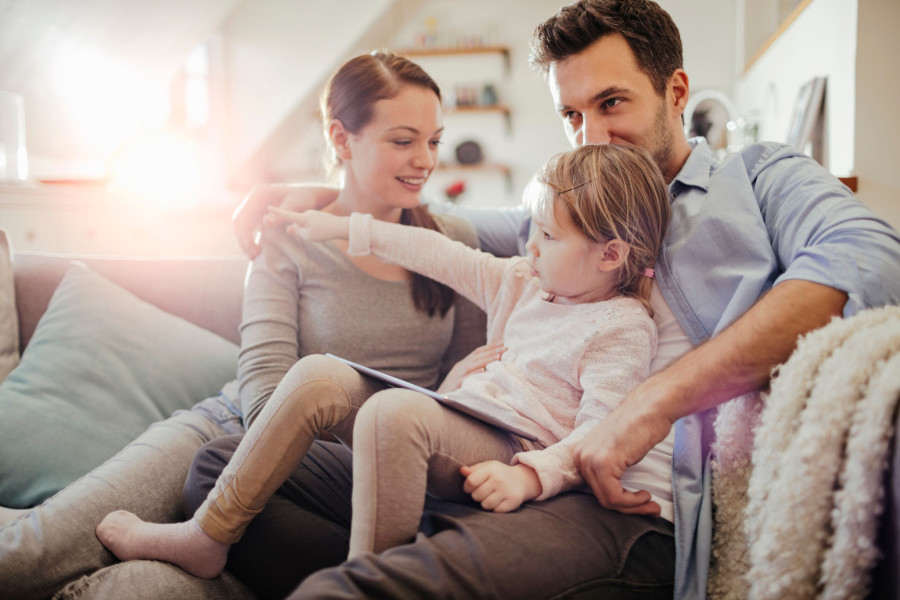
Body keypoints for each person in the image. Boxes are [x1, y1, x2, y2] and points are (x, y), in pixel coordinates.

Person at [226, 1, 900, 598]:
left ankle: (407, 563)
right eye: (572, 115)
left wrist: (650, 406)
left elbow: (871, 257)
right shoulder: (566, 213)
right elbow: (437, 231)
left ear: (676, 92)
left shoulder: (757, 177)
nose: (591, 136)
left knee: (352, 584)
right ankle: (417, 551)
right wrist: (315, 195)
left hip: (629, 502)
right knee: (222, 468)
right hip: (523, 455)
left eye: (612, 104)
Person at [92, 50, 493, 583]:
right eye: (403, 141)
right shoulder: (289, 238)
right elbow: (265, 402)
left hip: (411, 455)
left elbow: (472, 385)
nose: (425, 160)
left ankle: (387, 570)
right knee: (218, 466)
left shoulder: (451, 241)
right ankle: (398, 573)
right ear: (341, 139)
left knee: (218, 472)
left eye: (434, 141)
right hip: (313, 456)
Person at [277, 142, 671, 558]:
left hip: (512, 448)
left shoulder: (622, 326)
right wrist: (343, 227)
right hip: (462, 422)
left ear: (610, 254)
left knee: (390, 413)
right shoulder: (523, 282)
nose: (531, 246)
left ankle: (367, 578)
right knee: (305, 387)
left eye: (549, 235)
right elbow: (439, 253)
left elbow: (601, 430)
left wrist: (531, 479)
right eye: (533, 229)